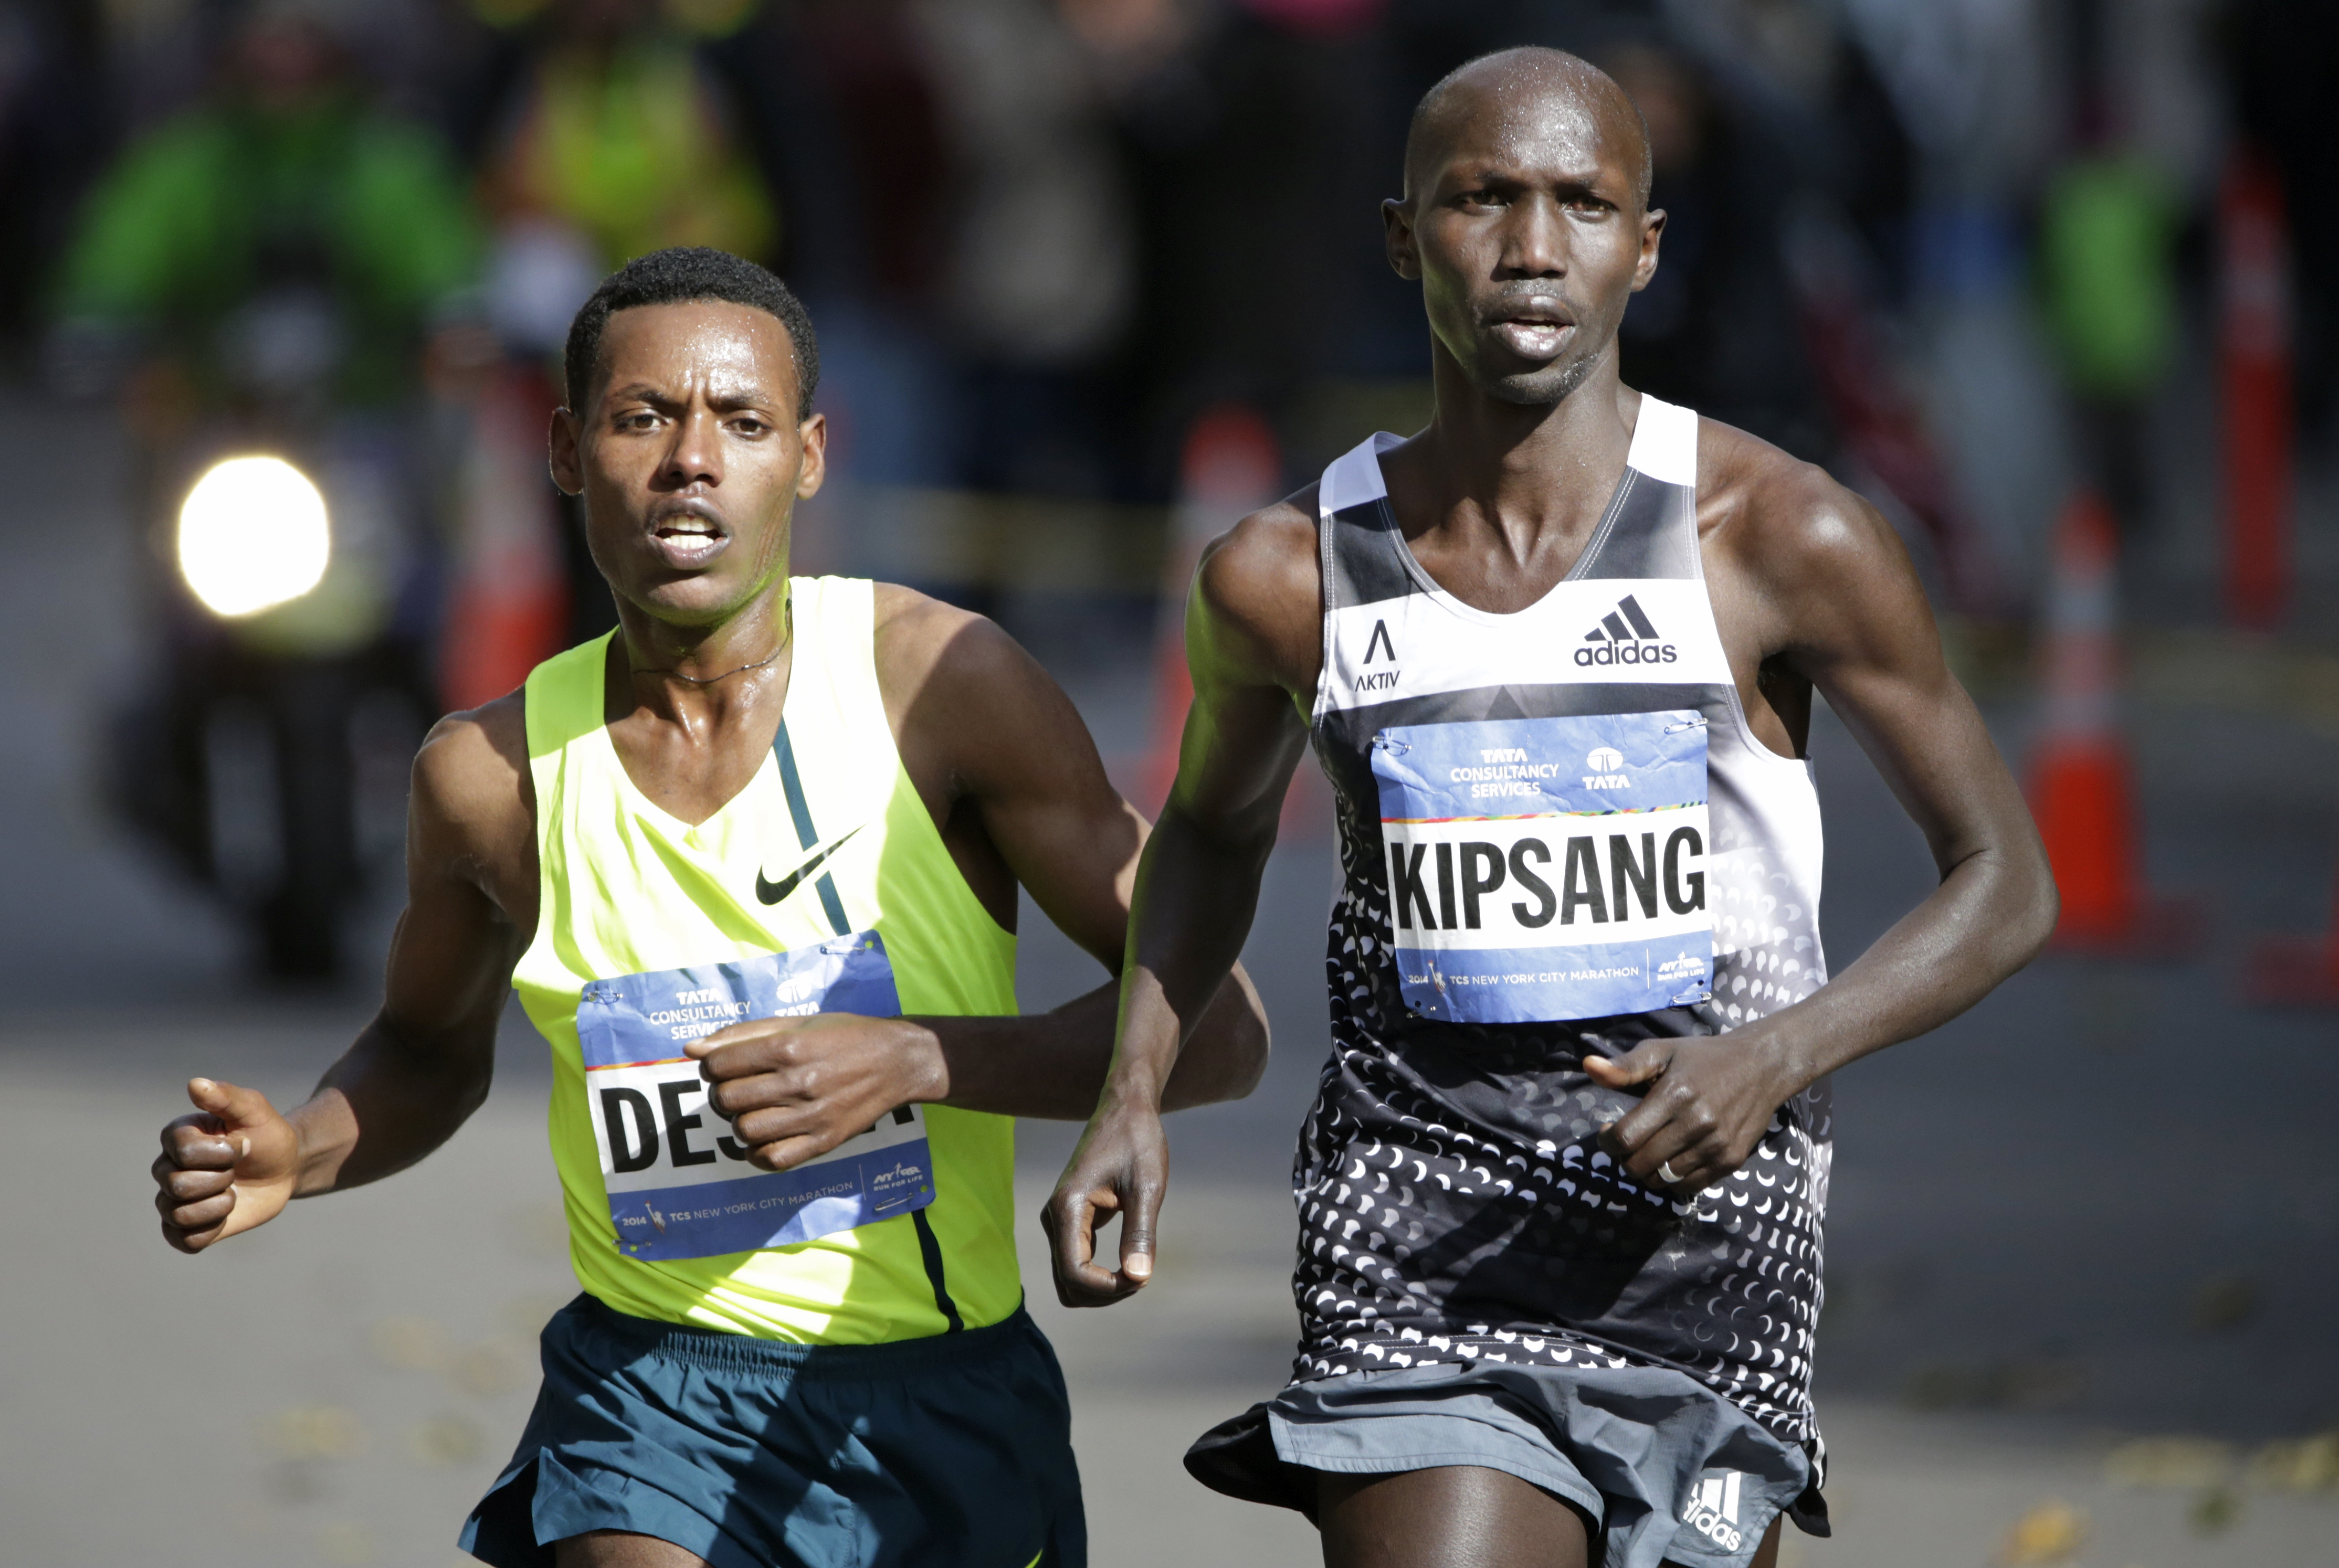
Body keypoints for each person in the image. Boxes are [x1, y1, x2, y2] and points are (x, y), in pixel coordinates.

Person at [1045, 47, 2053, 1568]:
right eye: (1482, 199)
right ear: (1403, 236)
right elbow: (1209, 825)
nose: (1531, 248)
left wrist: (1773, 1054)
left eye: (1583, 204)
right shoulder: (1286, 572)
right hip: (1417, 1247)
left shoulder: (1780, 537)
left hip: (1709, 1252)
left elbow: (2006, 879)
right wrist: (1132, 1083)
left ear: (1646, 246)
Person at [151, 246, 1269, 1568]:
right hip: (649, 1398)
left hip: (943, 1401)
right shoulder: (486, 778)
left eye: (739, 423)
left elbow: (1217, 1027)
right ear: (568, 451)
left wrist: (922, 1059)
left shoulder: (938, 686)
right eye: (643, 418)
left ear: (804, 458)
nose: (692, 459)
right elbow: (425, 1047)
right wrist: (303, 1148)